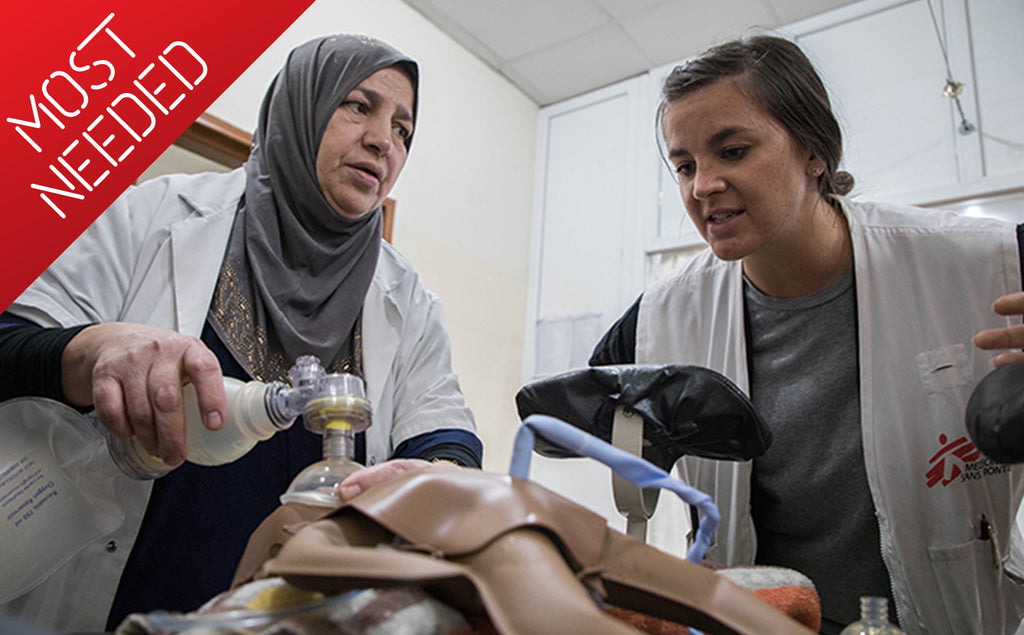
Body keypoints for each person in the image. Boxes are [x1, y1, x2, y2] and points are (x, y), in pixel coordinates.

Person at [0, 34, 482, 632]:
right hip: (122, 602)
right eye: (358, 105)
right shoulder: (152, 217)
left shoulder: (406, 299)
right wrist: (94, 349)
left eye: (404, 130)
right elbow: (12, 345)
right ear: (300, 106)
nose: (383, 140)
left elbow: (442, 428)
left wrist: (444, 475)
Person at [589, 35, 1024, 635]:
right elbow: (576, 409)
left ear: (814, 151)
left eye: (733, 151)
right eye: (685, 166)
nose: (703, 185)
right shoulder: (667, 310)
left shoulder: (979, 261)